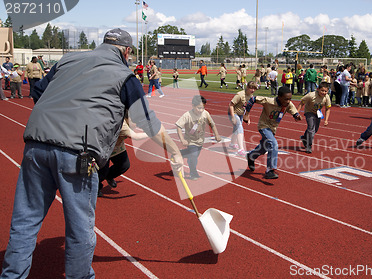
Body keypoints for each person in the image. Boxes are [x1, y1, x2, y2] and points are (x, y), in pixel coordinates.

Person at [0, 28, 183, 279]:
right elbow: (149, 122)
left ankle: (11, 276)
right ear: (127, 51)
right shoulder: (125, 76)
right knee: (79, 227)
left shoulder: (67, 59)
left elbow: (38, 91)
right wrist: (175, 153)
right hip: (78, 153)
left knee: (25, 221)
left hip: (36, 145)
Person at [244, 86, 301, 179]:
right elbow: (252, 99)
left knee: (264, 148)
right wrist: (246, 114)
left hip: (273, 128)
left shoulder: (288, 104)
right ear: (279, 97)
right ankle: (270, 170)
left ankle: (251, 156)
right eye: (286, 99)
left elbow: (293, 110)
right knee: (273, 144)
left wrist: (297, 115)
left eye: (290, 99)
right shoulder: (269, 101)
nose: (288, 101)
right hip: (264, 126)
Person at [97, 115, 148, 197]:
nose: (137, 124)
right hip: (104, 146)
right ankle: (96, 187)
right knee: (102, 171)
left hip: (117, 145)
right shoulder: (121, 124)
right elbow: (136, 137)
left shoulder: (128, 120)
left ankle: (109, 176)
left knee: (124, 165)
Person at [176, 95, 221, 180]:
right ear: (193, 106)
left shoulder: (205, 113)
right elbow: (178, 126)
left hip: (200, 141)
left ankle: (181, 153)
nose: (201, 110)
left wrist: (216, 134)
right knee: (193, 156)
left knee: (194, 156)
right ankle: (193, 172)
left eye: (203, 108)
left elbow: (212, 124)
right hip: (190, 141)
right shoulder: (187, 115)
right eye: (199, 108)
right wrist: (182, 139)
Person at [297, 82, 331, 153]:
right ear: (318, 89)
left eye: (325, 91)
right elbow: (301, 103)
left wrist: (326, 120)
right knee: (311, 128)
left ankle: (304, 137)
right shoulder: (311, 95)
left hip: (318, 112)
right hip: (309, 111)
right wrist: (297, 113)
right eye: (322, 90)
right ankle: (308, 146)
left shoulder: (327, 97)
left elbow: (328, 109)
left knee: (315, 129)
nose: (323, 92)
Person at [228, 81, 257, 156]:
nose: (253, 90)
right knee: (239, 128)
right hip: (234, 113)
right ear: (247, 87)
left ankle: (232, 144)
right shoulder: (240, 95)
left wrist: (248, 117)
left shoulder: (251, 96)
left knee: (236, 128)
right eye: (251, 88)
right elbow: (231, 105)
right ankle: (241, 149)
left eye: (254, 89)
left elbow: (248, 107)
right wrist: (233, 117)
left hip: (241, 114)